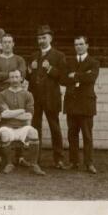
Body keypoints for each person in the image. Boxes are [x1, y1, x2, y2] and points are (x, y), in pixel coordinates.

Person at [27, 25, 67, 169]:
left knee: (54, 128)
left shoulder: (59, 55)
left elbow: (63, 77)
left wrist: (50, 69)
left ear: (50, 38)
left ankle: (59, 159)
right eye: (39, 38)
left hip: (51, 97)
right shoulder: (33, 55)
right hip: (35, 97)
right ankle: (35, 159)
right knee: (35, 128)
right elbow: (28, 77)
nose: (41, 40)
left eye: (44, 37)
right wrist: (29, 69)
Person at [63, 36, 100, 174]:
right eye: (76, 44)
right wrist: (81, 75)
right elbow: (64, 79)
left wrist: (75, 75)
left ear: (87, 45)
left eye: (81, 44)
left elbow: (91, 78)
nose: (78, 46)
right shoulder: (69, 62)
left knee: (87, 135)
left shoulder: (94, 62)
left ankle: (89, 163)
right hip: (71, 103)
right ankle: (73, 162)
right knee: (72, 134)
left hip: (86, 104)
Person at [0, 69, 46, 175]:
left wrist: (11, 113)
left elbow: (29, 115)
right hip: (8, 126)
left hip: (23, 127)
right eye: (12, 77)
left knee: (34, 132)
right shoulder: (3, 94)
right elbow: (4, 114)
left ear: (21, 78)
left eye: (17, 77)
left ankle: (34, 164)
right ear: (9, 79)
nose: (14, 80)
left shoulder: (28, 94)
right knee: (4, 135)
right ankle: (9, 163)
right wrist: (21, 110)